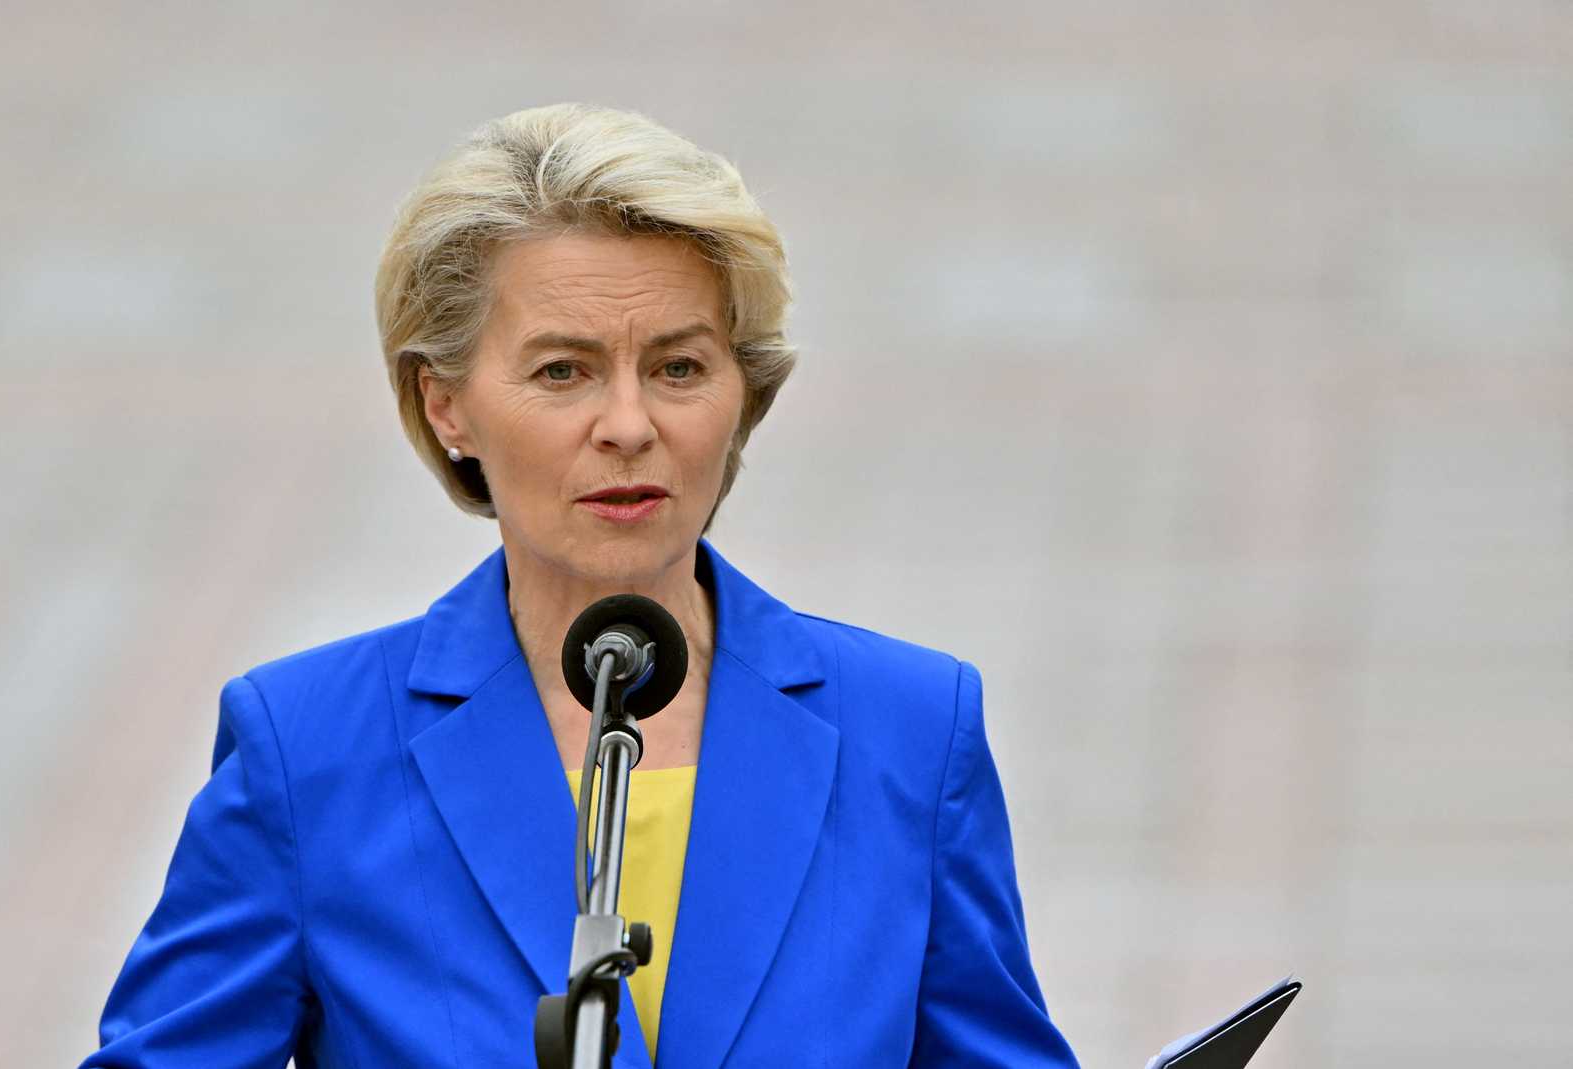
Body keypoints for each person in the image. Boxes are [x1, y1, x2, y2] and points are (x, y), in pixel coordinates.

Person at [80, 102, 1080, 1069]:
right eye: (564, 371)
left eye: (679, 368)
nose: (629, 425)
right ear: (446, 405)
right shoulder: (308, 750)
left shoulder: (911, 730)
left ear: (744, 392)